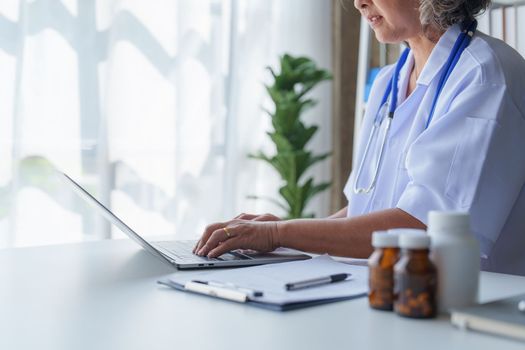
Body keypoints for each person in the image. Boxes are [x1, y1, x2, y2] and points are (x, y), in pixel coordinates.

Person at [194, 0, 525, 275]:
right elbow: (367, 206)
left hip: (470, 308)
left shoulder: (484, 76)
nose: (358, 3)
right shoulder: (387, 82)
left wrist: (280, 233)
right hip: (389, 290)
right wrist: (284, 234)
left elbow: (425, 226)